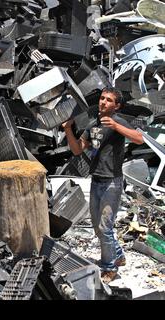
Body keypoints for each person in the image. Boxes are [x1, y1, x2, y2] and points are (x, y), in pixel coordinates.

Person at [62, 87, 144, 283]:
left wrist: (115, 126)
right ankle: (118, 254)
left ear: (116, 106)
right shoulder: (93, 125)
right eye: (102, 98)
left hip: (112, 183)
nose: (103, 102)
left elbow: (139, 139)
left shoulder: (118, 121)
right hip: (96, 180)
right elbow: (76, 150)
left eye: (109, 100)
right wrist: (67, 129)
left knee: (105, 228)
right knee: (98, 229)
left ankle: (109, 268)